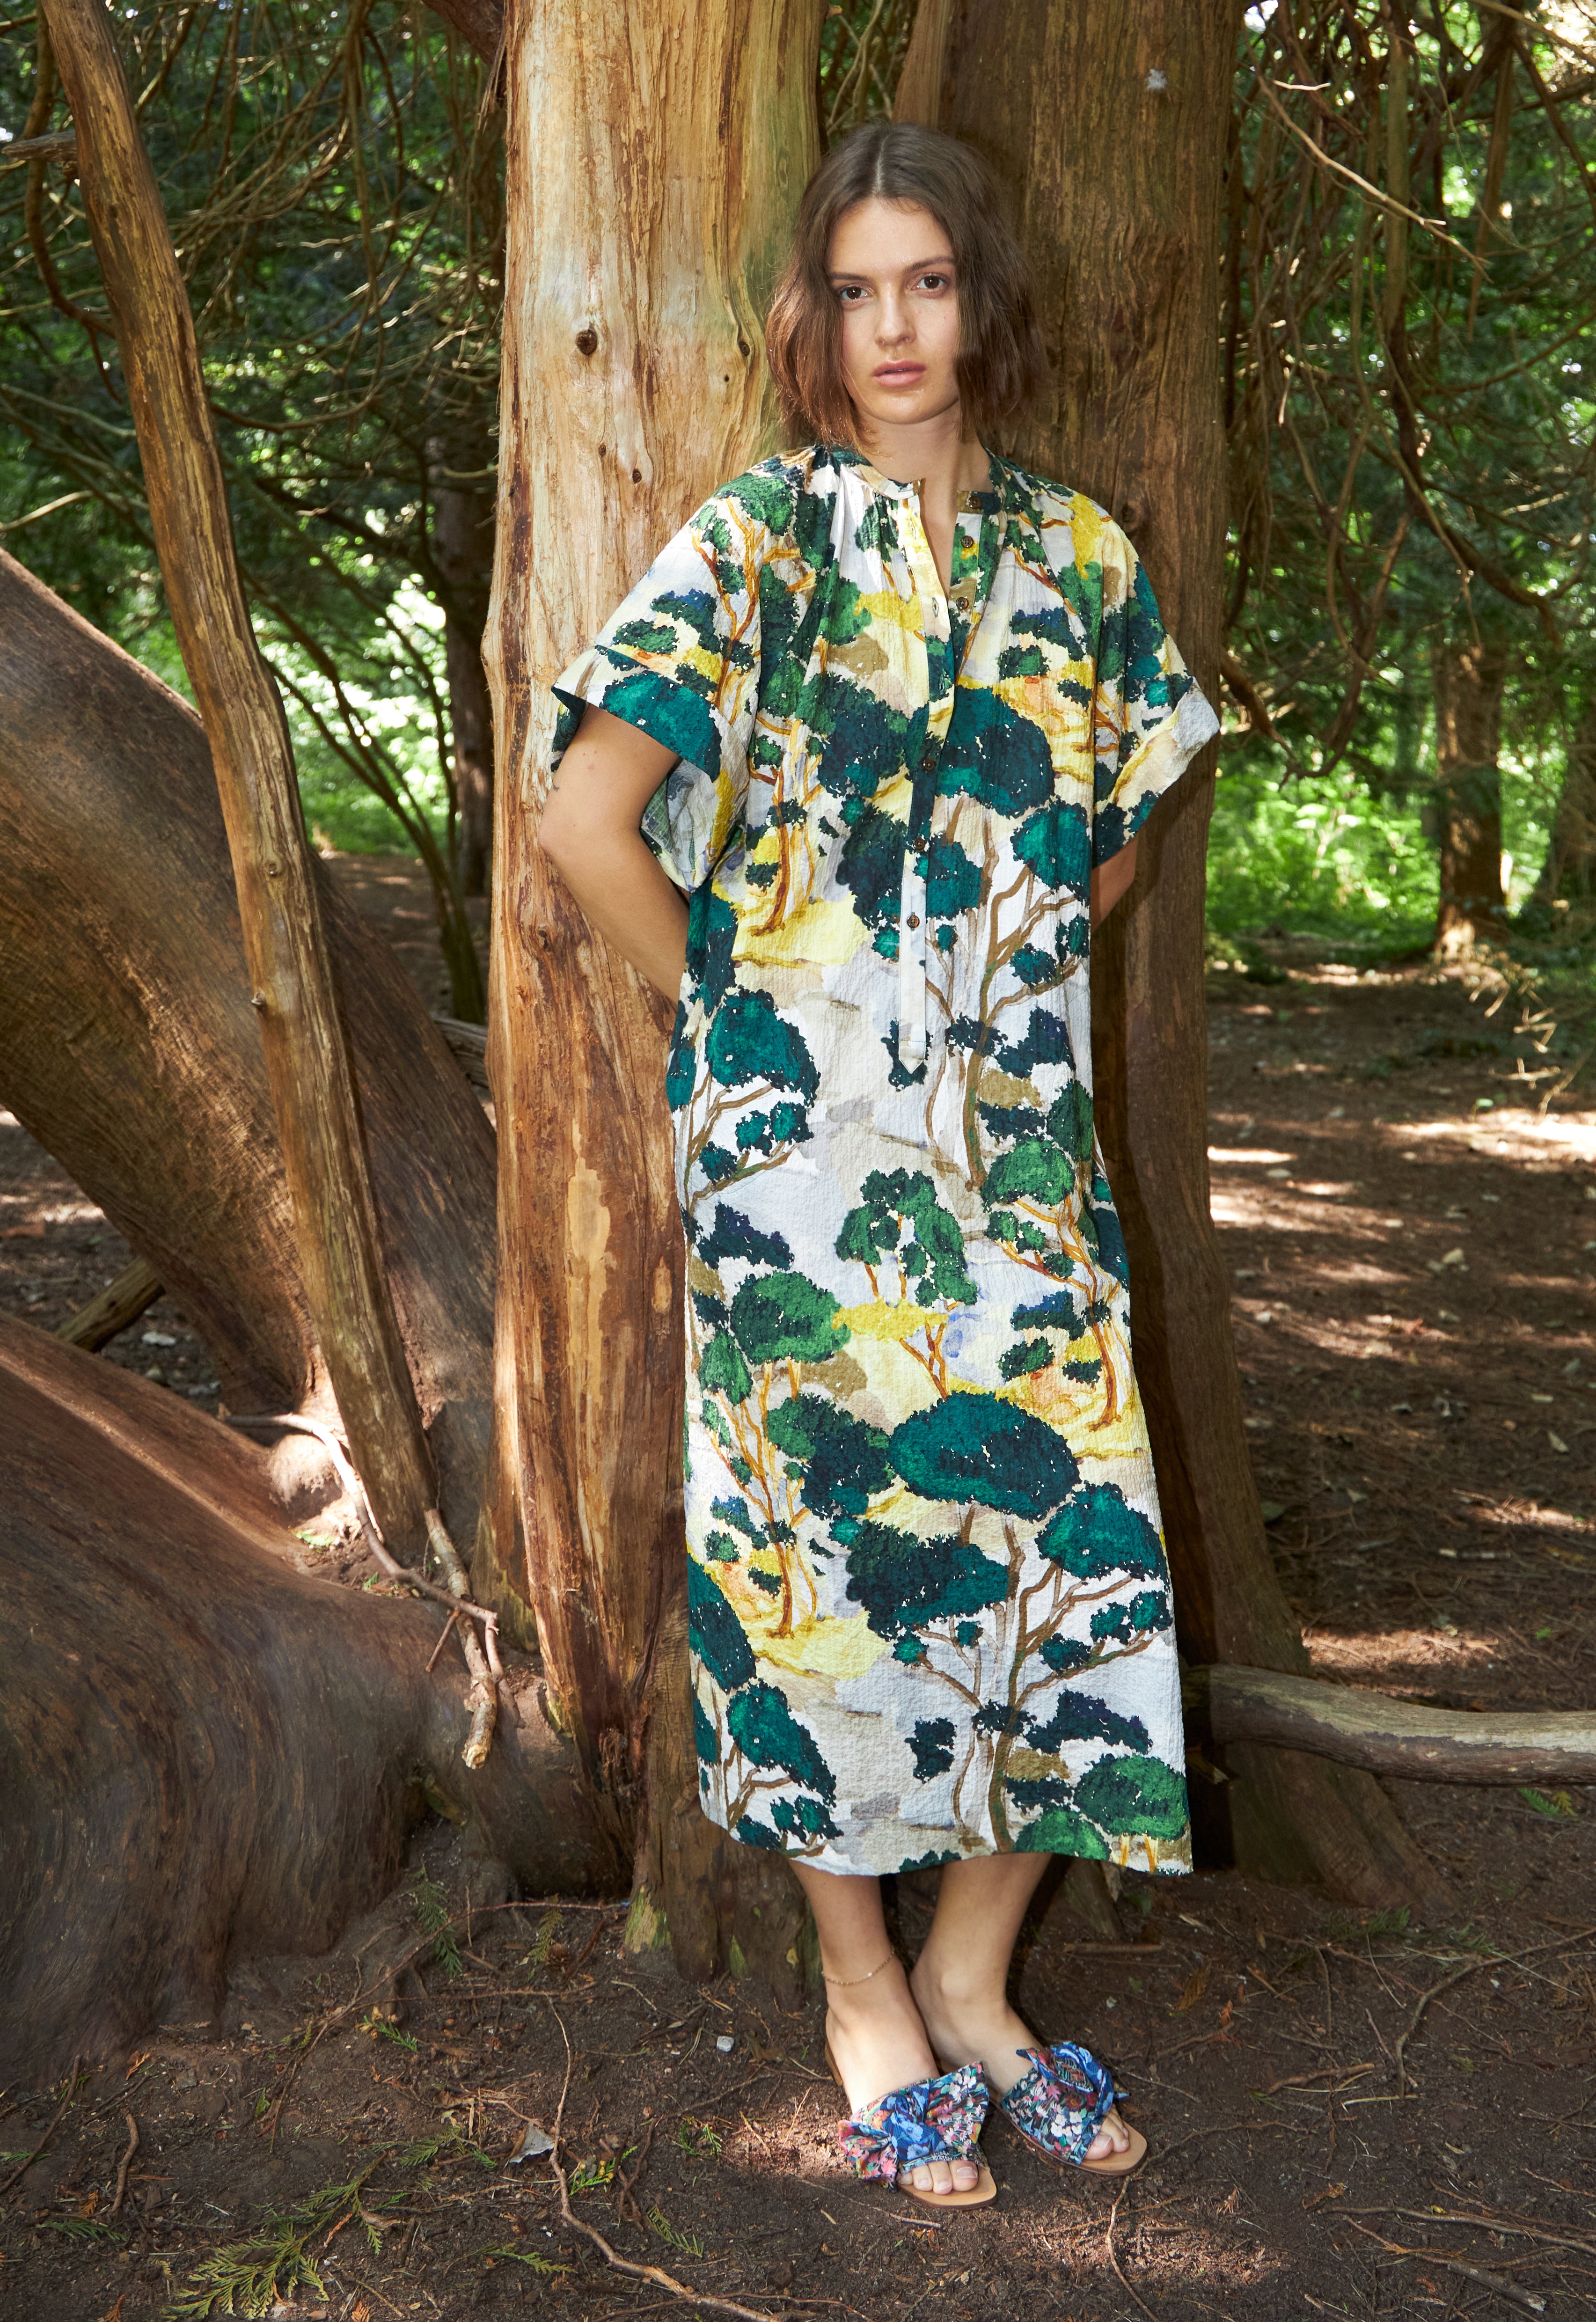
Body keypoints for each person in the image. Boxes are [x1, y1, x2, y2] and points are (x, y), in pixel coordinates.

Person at [539, 122, 1217, 2210]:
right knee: (815, 1569)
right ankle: (860, 1990)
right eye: (857, 288)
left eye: (928, 282)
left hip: (1015, 1161)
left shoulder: (1082, 560)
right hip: (796, 1180)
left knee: (1069, 1545)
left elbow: (1115, 834)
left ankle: (981, 1972)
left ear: (976, 300)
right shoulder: (752, 545)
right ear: (813, 315)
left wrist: (976, 996)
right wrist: (746, 1030)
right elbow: (583, 820)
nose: (896, 326)